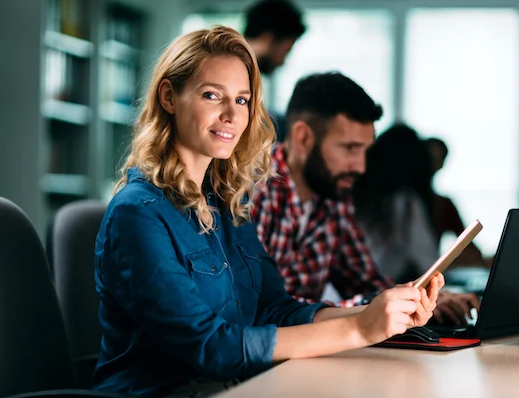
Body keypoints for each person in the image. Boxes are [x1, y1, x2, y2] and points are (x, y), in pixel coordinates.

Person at [92, 27, 442, 398]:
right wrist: (359, 330)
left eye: (242, 100)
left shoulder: (226, 205)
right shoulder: (137, 214)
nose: (231, 115)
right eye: (212, 95)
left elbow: (275, 309)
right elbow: (211, 348)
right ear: (169, 97)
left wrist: (381, 315)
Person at [251, 75, 477, 324]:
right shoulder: (253, 193)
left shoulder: (333, 194)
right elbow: (263, 310)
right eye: (349, 148)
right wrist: (368, 309)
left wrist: (418, 298)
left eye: (365, 151)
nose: (360, 166)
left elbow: (367, 284)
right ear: (303, 138)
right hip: (265, 359)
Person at [353, 124, 479, 325]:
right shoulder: (404, 203)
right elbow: (428, 262)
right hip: (378, 303)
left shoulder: (362, 198)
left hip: (363, 300)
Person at [243, 0, 306, 141]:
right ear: (269, 39)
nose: (282, 62)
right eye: (286, 51)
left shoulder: (248, 74)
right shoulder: (233, 71)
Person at [426, 137, 490, 267]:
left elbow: (470, 248)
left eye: (437, 161)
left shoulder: (443, 204)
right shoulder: (401, 202)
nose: (431, 167)